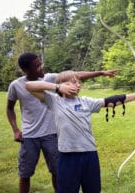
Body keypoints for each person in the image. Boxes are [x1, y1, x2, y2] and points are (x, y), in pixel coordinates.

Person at [6, 52, 116, 193]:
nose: (41, 67)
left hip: (52, 134)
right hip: (29, 135)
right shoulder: (16, 85)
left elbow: (77, 75)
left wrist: (101, 73)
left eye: (40, 63)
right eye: (37, 66)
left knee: (57, 172)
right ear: (26, 69)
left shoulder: (51, 78)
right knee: (25, 173)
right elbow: (9, 108)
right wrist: (15, 130)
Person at [25, 70, 135, 193]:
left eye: (79, 82)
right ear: (62, 84)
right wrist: (57, 87)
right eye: (73, 82)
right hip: (67, 156)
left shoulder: (86, 102)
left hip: (89, 154)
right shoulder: (54, 101)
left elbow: (110, 101)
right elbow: (29, 86)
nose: (78, 85)